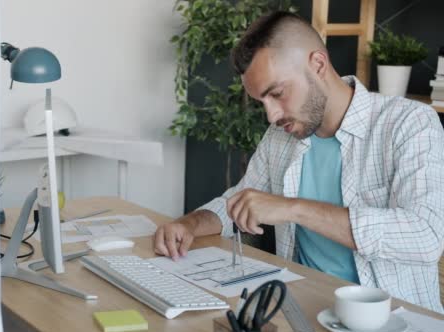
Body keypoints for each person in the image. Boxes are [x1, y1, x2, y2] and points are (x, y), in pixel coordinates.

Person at [153, 11, 444, 313]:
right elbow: (238, 203)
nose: (272, 115)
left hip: (394, 324)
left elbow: (426, 236)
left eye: (277, 94)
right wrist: (189, 224)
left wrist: (292, 207)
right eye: (262, 102)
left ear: (318, 64)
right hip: (302, 312)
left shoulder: (409, 123)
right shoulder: (281, 136)